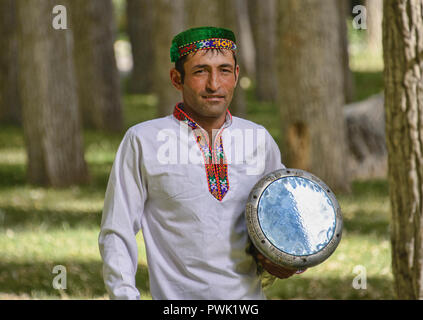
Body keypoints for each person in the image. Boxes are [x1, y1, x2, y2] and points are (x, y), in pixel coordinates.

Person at [99, 26, 298, 300]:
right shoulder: (143, 140)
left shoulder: (258, 139)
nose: (214, 84)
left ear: (237, 75)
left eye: (225, 71)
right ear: (176, 78)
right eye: (200, 71)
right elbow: (116, 231)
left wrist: (286, 259)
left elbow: (281, 220)